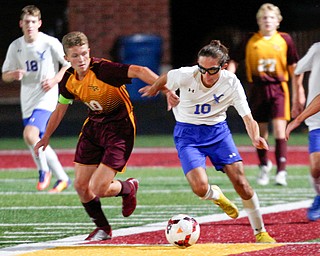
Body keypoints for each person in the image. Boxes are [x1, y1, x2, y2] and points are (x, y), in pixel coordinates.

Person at [34, 31, 178, 241]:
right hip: (93, 128)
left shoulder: (103, 70)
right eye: (75, 56)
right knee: (81, 186)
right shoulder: (68, 80)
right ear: (66, 58)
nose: (81, 59)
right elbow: (60, 109)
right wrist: (46, 136)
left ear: (89, 52)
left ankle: (128, 188)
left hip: (119, 130)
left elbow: (140, 70)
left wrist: (165, 90)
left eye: (84, 54)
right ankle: (103, 228)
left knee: (98, 188)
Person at [139, 40, 276, 243]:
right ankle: (217, 196)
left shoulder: (231, 83)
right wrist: (159, 89)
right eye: (201, 68)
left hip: (218, 133)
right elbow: (166, 77)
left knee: (242, 184)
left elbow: (248, 117)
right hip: (187, 134)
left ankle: (260, 231)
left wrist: (255, 137)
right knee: (200, 188)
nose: (204, 74)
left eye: (211, 70)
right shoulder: (186, 74)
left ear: (223, 66)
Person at [228, 3, 299, 186]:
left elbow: (294, 67)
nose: (267, 21)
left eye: (271, 17)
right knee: (260, 131)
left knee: (279, 130)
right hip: (257, 88)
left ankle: (281, 170)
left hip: (278, 88)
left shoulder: (285, 40)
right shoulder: (251, 40)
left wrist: (299, 91)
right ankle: (263, 165)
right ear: (259, 20)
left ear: (278, 21)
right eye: (264, 17)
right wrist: (229, 77)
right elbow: (234, 59)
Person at [1, 5, 71, 193]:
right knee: (35, 139)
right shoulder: (16, 46)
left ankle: (44, 171)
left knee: (30, 134)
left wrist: (55, 79)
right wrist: (13, 74)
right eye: (26, 22)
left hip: (46, 95)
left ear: (39, 24)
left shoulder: (49, 43)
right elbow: (4, 75)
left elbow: (68, 64)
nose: (30, 25)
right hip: (28, 97)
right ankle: (63, 178)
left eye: (33, 22)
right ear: (21, 24)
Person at [286, 42, 320, 221]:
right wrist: (297, 96)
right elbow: (298, 70)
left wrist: (296, 121)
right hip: (317, 120)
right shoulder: (317, 49)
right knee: (316, 167)